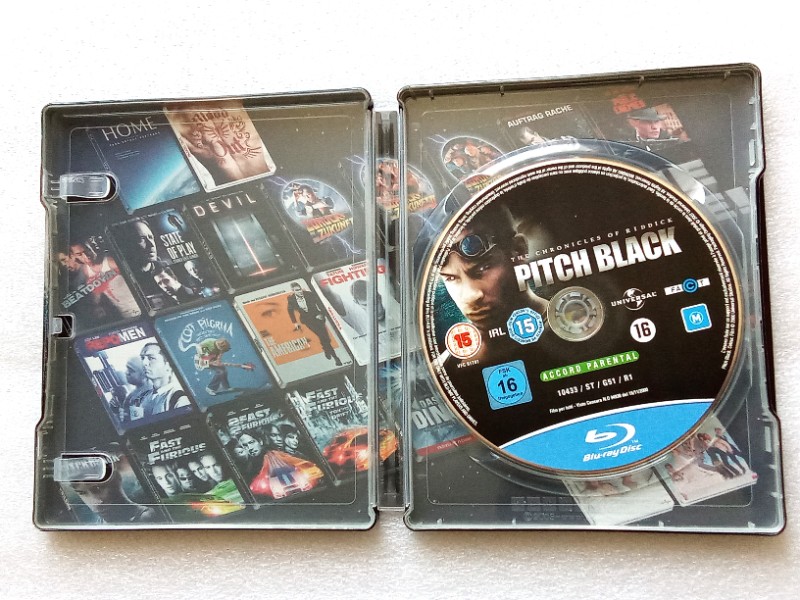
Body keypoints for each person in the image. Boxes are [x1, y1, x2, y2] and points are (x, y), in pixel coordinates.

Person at [436, 202, 549, 365]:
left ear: (518, 250)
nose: (471, 296)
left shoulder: (575, 328)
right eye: (450, 278)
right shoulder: (444, 368)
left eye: (483, 268)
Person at [69, 241, 140, 320]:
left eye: (86, 251)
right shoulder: (86, 271)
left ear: (91, 247)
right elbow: (96, 294)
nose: (86, 256)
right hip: (124, 314)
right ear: (74, 256)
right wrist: (96, 304)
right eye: (79, 254)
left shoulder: (109, 262)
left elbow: (136, 278)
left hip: (138, 306)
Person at [286, 282, 343, 366]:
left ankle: (326, 350)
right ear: (293, 291)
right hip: (307, 320)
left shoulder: (309, 294)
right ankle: (336, 358)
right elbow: (290, 311)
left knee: (325, 338)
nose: (300, 291)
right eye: (297, 290)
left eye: (300, 289)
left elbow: (321, 303)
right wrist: (295, 323)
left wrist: (321, 314)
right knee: (323, 337)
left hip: (318, 317)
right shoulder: (291, 299)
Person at [70, 470, 157, 523]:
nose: (95, 503)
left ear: (116, 480)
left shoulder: (146, 517)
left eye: (97, 489)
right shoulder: (99, 523)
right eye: (82, 493)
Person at [139, 343, 190, 416]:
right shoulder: (143, 398)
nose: (144, 363)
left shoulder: (179, 398)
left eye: (151, 358)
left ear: (168, 364)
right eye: (142, 358)